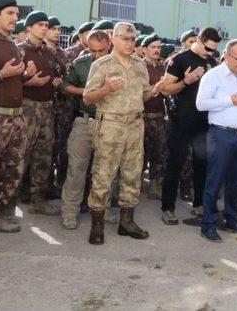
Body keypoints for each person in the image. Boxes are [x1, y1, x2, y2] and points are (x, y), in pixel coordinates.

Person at [83, 22, 162, 245]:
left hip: (135, 125)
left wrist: (156, 90)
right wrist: (107, 89)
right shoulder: (101, 64)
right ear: (113, 40)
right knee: (103, 175)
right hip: (110, 125)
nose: (130, 43)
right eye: (125, 39)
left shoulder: (140, 65)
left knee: (132, 174)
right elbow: (87, 98)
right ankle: (97, 225)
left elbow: (144, 96)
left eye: (133, 39)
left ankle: (126, 222)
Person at [196, 39, 237, 242]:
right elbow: (201, 104)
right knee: (215, 181)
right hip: (220, 135)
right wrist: (228, 101)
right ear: (227, 55)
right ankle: (208, 224)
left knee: (235, 181)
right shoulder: (213, 76)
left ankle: (233, 219)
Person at [159, 27, 221, 224]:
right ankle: (168, 208)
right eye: (208, 49)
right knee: (175, 164)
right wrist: (186, 81)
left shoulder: (212, 63)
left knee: (202, 165)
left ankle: (199, 204)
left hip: (203, 122)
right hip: (181, 121)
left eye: (214, 50)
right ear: (199, 41)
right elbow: (165, 90)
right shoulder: (179, 60)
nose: (210, 53)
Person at [59, 30, 116, 229]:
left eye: (101, 50)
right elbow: (65, 87)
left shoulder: (122, 64)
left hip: (110, 123)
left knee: (105, 172)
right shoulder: (81, 64)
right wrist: (87, 92)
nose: (97, 55)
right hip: (84, 122)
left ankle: (101, 210)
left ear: (110, 44)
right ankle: (69, 213)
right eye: (92, 50)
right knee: (76, 170)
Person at [0, 0, 35, 233]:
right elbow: (3, 76)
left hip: (16, 117)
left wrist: (24, 75)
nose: (15, 18)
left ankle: (0, 213)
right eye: (10, 13)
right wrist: (3, 74)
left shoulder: (11, 44)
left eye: (17, 14)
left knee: (12, 169)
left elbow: (13, 78)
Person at [18, 10, 62, 215]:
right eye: (40, 25)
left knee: (43, 157)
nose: (44, 28)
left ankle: (38, 200)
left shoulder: (50, 53)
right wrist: (28, 81)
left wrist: (56, 83)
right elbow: (9, 82)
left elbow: (56, 75)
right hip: (27, 108)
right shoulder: (19, 51)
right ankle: (8, 202)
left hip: (47, 108)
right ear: (28, 28)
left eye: (46, 25)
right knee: (19, 156)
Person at [45, 16, 71, 190]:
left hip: (62, 105)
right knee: (43, 148)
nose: (57, 32)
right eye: (53, 28)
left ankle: (53, 184)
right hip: (46, 104)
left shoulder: (63, 53)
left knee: (59, 145)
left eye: (58, 29)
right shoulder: (41, 51)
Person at [141, 34, 167, 199]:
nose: (157, 50)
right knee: (138, 153)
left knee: (158, 152)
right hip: (141, 116)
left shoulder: (163, 68)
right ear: (144, 49)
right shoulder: (138, 66)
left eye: (158, 47)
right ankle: (135, 185)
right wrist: (155, 89)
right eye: (153, 47)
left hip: (158, 117)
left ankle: (155, 185)